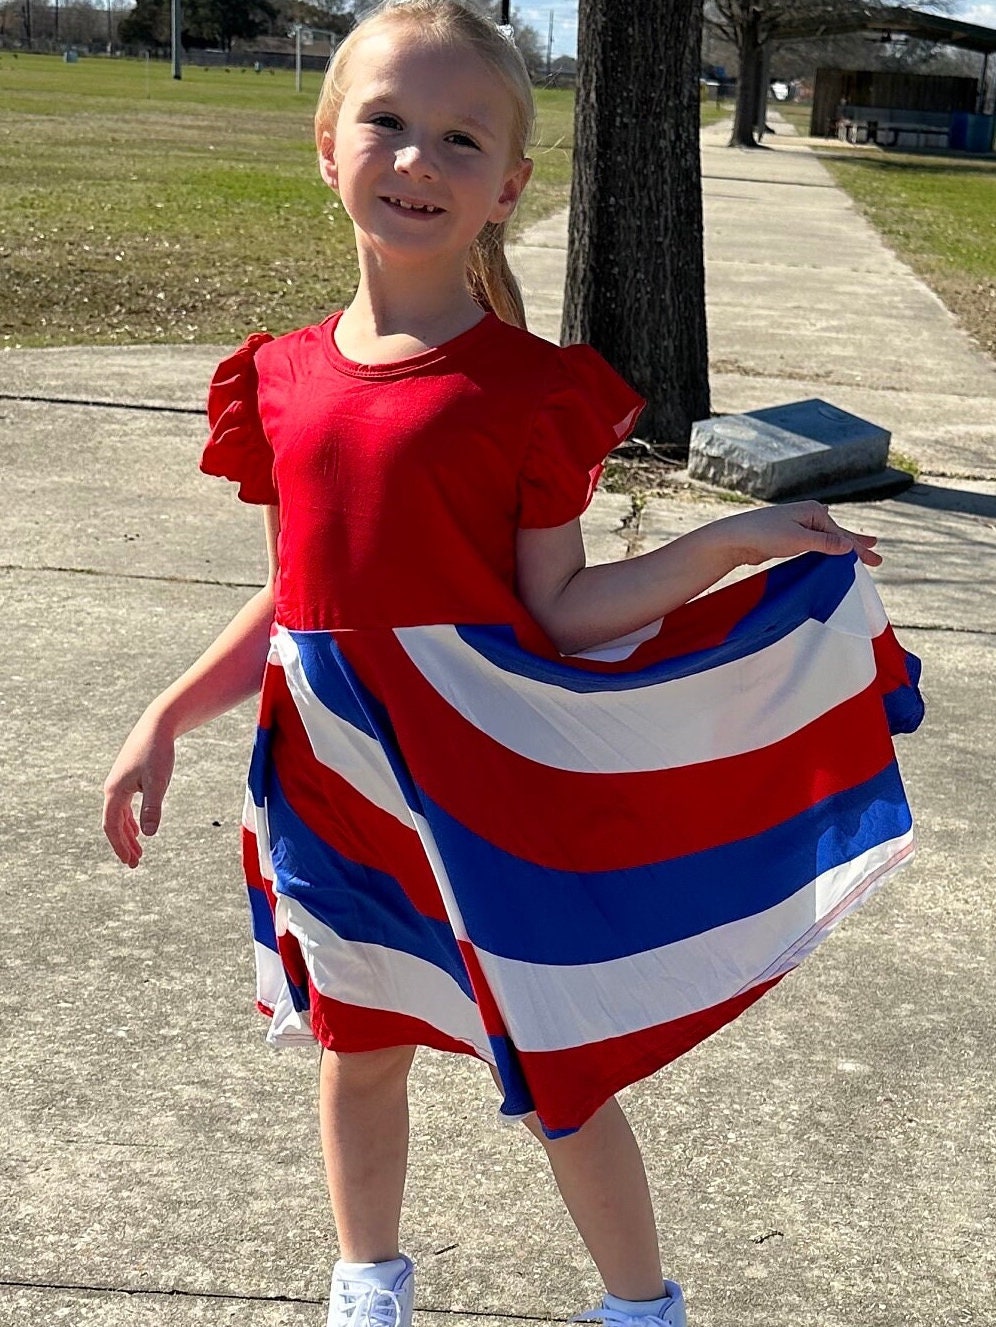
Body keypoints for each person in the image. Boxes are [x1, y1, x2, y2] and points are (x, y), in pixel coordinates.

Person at [102, 4, 923, 1326]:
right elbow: (288, 600)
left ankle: (642, 1305)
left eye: (459, 137)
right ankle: (368, 1282)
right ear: (327, 145)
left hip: (487, 781)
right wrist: (164, 716)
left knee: (557, 1061)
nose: (418, 161)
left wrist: (735, 544)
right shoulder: (279, 381)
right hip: (329, 780)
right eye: (387, 123)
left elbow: (569, 607)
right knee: (357, 1046)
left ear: (509, 185)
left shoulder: (529, 394)